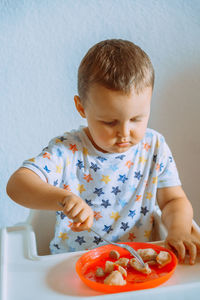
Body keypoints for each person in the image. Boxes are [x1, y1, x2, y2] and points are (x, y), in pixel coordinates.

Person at [7, 39, 200, 263]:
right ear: (82, 108)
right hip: (72, 263)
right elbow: (16, 185)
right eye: (110, 122)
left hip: (140, 261)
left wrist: (178, 230)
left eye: (137, 119)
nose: (125, 132)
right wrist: (63, 199)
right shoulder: (67, 151)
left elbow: (173, 201)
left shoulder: (154, 146)